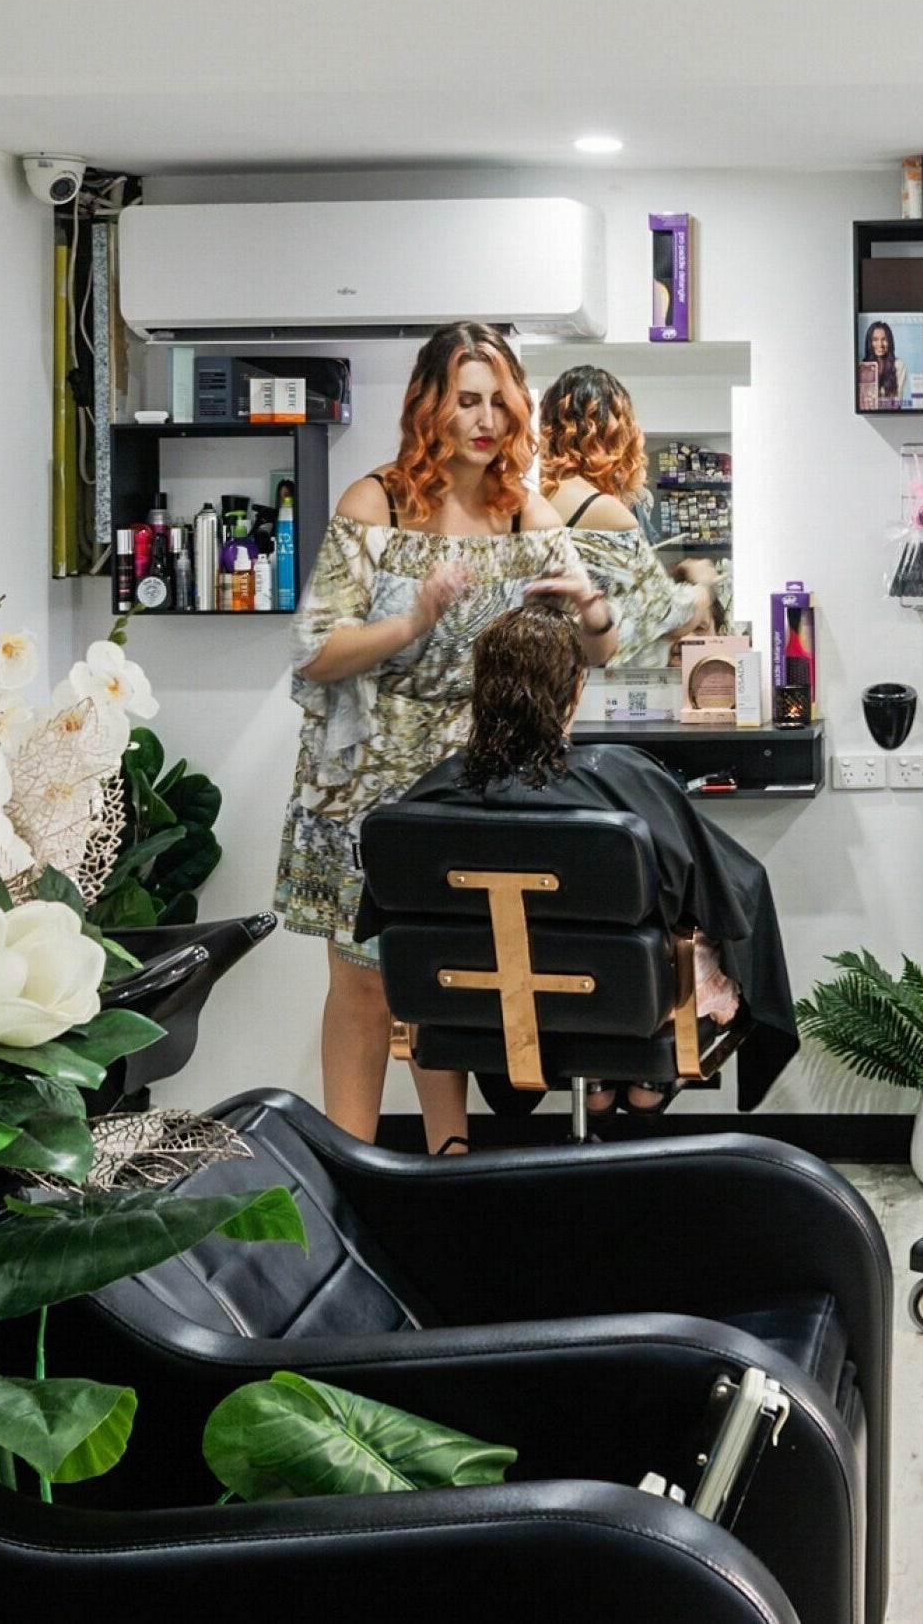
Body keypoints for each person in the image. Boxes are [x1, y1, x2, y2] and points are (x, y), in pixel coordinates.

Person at [276, 321, 620, 1148]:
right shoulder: (378, 503)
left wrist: (592, 604)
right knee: (365, 988)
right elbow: (316, 650)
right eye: (467, 400)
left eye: (500, 402)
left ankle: (449, 1153)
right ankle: (349, 1167)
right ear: (430, 405)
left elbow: (598, 647)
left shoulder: (521, 512)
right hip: (361, 795)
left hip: (463, 792)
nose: (485, 420)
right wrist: (415, 618)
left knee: (443, 983)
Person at [381, 597, 798, 1111]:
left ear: (481, 694)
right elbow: (729, 887)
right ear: (576, 690)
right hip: (616, 994)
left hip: (487, 1007)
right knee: (694, 927)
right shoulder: (625, 777)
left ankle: (598, 1081)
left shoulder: (432, 794)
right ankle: (633, 1082)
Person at [534, 364, 720, 667]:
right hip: (591, 690)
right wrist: (703, 587)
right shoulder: (602, 510)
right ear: (620, 436)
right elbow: (667, 614)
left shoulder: (534, 500)